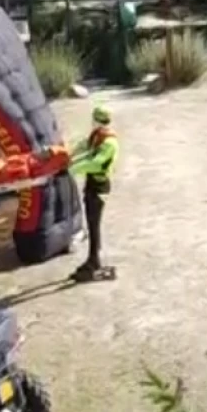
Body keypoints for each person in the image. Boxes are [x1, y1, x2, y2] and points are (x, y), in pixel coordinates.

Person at [68, 105, 119, 282]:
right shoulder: (97, 136)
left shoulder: (109, 143)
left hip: (100, 187)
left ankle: (95, 260)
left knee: (94, 225)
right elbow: (83, 148)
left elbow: (96, 163)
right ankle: (92, 259)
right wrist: (68, 156)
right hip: (91, 185)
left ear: (97, 119)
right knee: (91, 224)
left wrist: (73, 168)